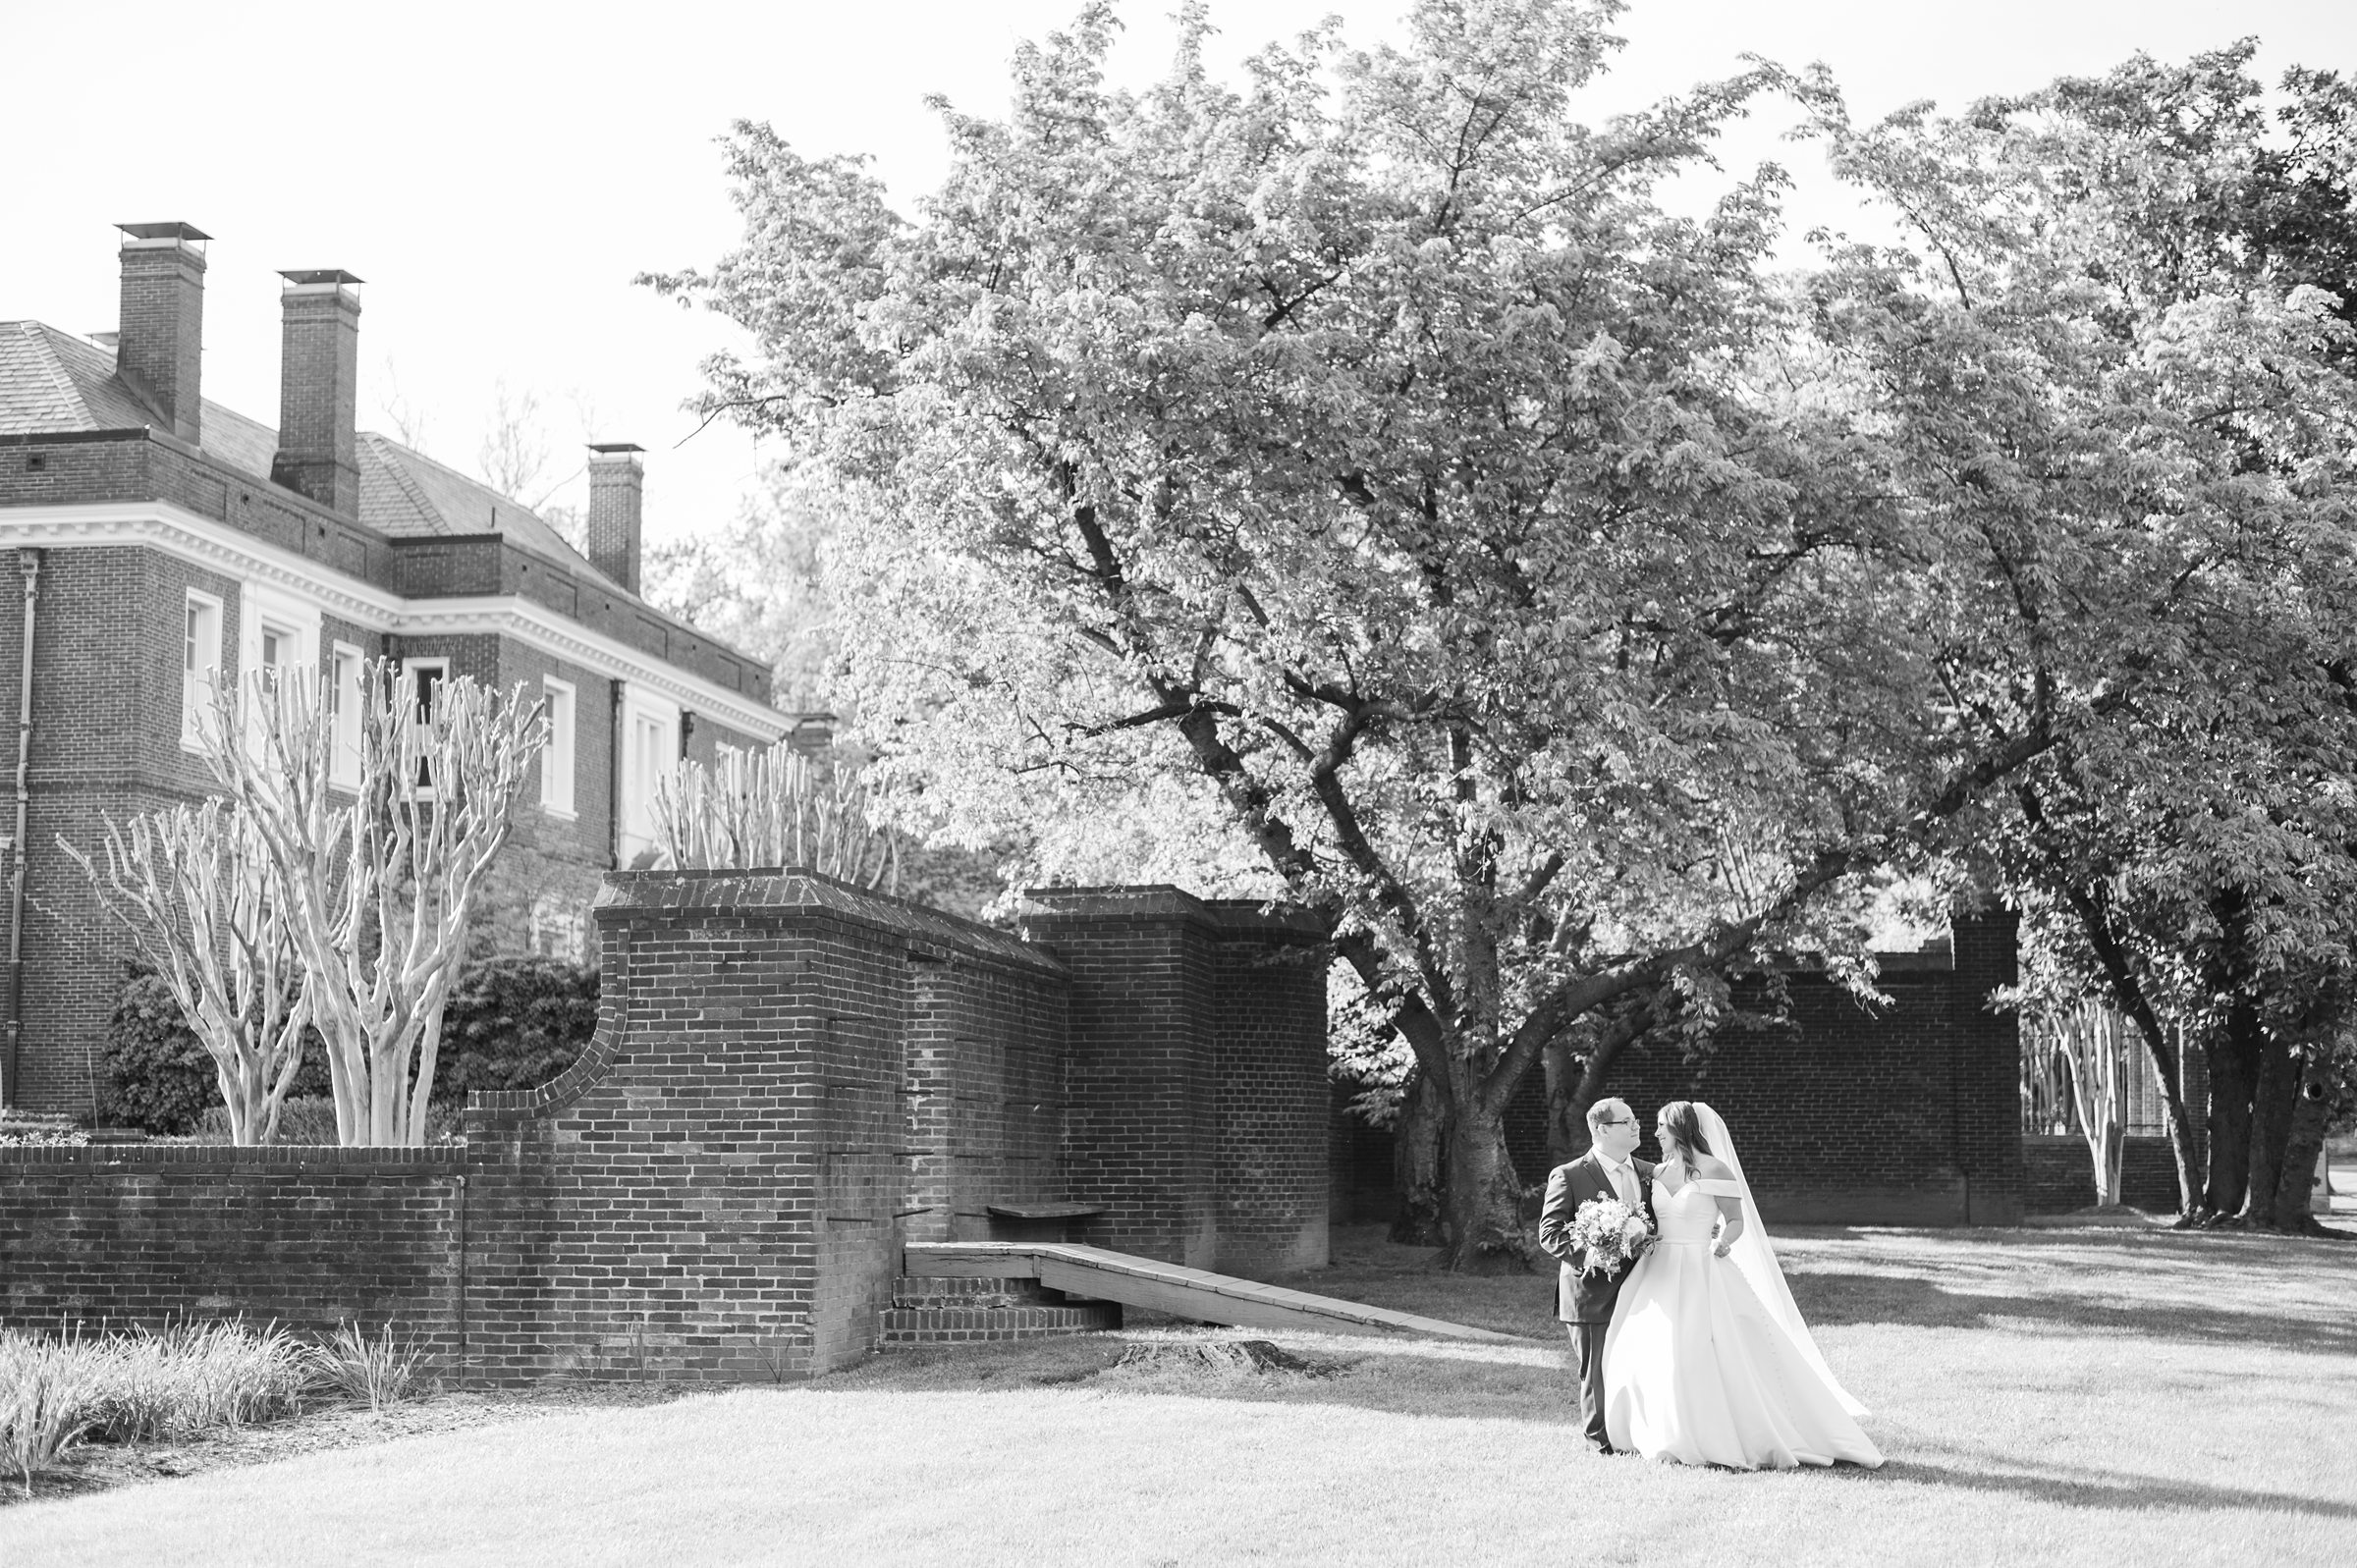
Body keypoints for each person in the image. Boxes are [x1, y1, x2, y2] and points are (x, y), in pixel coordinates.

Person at [1601, 1100, 1884, 1470]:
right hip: (1658, 1269)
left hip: (1701, 1268)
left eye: (1661, 1127)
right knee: (1647, 1349)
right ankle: (1655, 1430)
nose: (1654, 1134)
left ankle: (1711, 1432)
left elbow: (1735, 1219)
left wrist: (1724, 1241)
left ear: (1681, 1129)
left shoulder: (1714, 1168)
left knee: (1698, 1349)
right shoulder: (1658, 1171)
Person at [1536, 1098, 1655, 1454]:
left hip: (1645, 1289)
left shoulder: (1650, 1171)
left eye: (1636, 1120)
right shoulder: (1570, 1174)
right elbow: (1550, 1232)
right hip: (1591, 1292)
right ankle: (1601, 1443)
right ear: (1602, 1129)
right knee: (1598, 1370)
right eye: (1627, 1121)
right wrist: (1594, 1254)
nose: (1637, 1126)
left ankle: (1640, 1434)